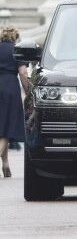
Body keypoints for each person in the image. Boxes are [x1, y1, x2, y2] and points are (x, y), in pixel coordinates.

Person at [0, 26, 29, 178]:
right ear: (15, 37)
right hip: (10, 88)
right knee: (6, 126)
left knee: (1, 124)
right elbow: (23, 73)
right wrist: (29, 91)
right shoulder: (17, 49)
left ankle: (5, 163)